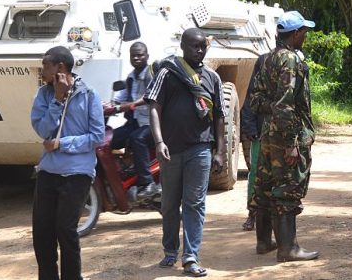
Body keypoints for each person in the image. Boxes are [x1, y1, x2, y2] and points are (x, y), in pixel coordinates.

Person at [145, 28, 227, 277]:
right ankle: (170, 250)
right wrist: (159, 143)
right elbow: (154, 108)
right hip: (171, 151)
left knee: (195, 203)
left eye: (203, 47)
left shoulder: (212, 78)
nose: (199, 50)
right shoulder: (167, 73)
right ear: (183, 46)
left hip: (200, 149)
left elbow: (220, 117)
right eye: (194, 46)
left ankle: (190, 257)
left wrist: (220, 150)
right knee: (170, 204)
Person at [250, 10, 319, 262]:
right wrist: (292, 143)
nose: (305, 37)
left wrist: (274, 108)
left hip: (268, 133)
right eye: (304, 32)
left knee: (266, 187)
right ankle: (288, 249)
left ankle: (263, 242)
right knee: (288, 188)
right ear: (296, 34)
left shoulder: (267, 59)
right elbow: (286, 103)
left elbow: (256, 100)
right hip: (285, 135)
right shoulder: (290, 60)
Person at [31, 46, 105, 280]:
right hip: (48, 171)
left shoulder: (89, 94)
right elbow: (42, 129)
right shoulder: (44, 95)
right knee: (42, 231)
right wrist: (57, 100)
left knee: (65, 229)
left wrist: (63, 143)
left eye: (45, 66)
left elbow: (97, 137)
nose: (42, 71)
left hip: (78, 173)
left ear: (60, 68)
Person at [109, 42, 157, 199]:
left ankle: (147, 182)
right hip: (134, 123)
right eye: (133, 55)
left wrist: (132, 104)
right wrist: (104, 105)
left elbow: (151, 96)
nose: (136, 58)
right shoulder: (130, 77)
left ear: (147, 56)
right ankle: (119, 174)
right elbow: (119, 99)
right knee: (108, 140)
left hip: (152, 124)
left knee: (137, 139)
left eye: (140, 55)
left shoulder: (151, 75)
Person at [240, 52, 269, 231]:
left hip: (281, 133)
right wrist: (249, 127)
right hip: (260, 131)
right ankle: (252, 212)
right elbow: (250, 98)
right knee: (255, 175)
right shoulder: (262, 64)